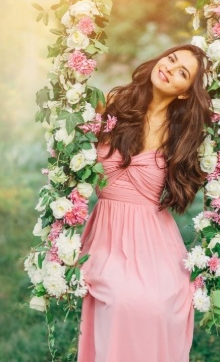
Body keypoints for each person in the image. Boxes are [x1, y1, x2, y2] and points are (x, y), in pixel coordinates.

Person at [77, 44, 212, 362]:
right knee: (122, 300)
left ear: (183, 92)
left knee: (155, 306)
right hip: (108, 232)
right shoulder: (114, 108)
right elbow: (82, 154)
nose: (170, 68)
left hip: (152, 240)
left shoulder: (181, 134)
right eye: (171, 59)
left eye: (182, 73)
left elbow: (190, 185)